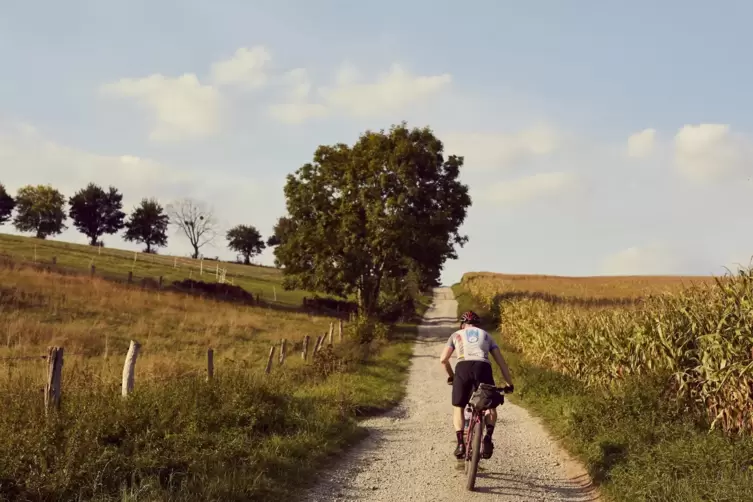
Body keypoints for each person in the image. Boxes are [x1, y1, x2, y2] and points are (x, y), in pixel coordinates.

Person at [440, 310, 514, 460]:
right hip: (483, 368)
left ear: (462, 325)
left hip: (463, 368)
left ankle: (460, 443)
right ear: (478, 325)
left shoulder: (456, 335)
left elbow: (443, 359)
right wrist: (509, 384)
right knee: (490, 406)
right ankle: (488, 438)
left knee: (459, 407)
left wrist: (452, 376)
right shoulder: (487, 336)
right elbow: (501, 363)